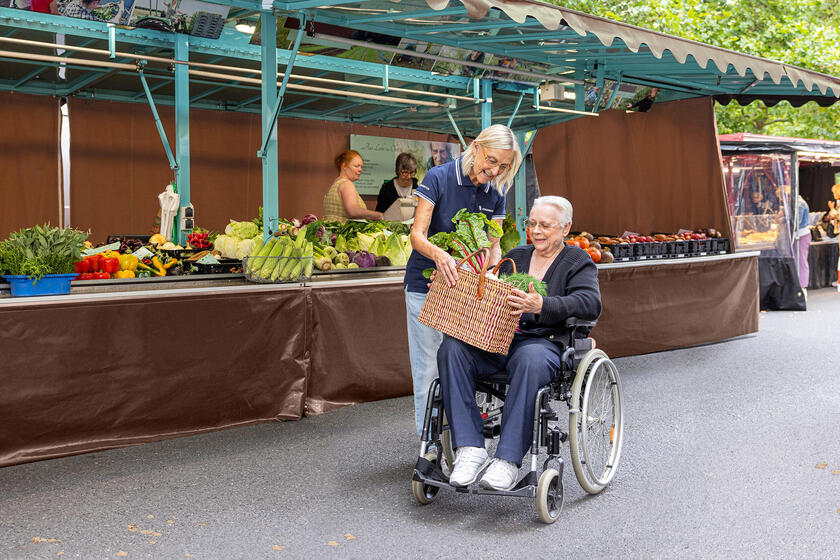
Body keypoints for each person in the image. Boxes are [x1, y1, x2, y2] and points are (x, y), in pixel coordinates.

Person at [438, 196, 602, 490]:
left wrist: (542, 305)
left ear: (565, 228)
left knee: (529, 360)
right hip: (500, 339)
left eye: (545, 226)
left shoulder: (578, 261)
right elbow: (491, 294)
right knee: (452, 348)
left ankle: (507, 462)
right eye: (533, 224)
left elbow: (590, 303)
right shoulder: (518, 255)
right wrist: (456, 286)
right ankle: (470, 449)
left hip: (543, 343)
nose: (536, 231)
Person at [405, 124, 523, 439]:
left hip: (469, 291)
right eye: (492, 161)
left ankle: (462, 438)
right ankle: (428, 443)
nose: (496, 170)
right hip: (427, 285)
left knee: (461, 363)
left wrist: (494, 270)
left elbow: (493, 243)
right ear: (477, 147)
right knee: (429, 368)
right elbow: (417, 235)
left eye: (504, 166)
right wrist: (439, 255)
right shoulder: (438, 178)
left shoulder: (496, 192)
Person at [323, 150, 384, 222]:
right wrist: (379, 215)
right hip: (343, 231)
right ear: (344, 166)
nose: (360, 170)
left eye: (361, 167)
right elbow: (353, 211)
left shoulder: (334, 184)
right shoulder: (346, 184)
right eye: (356, 166)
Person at [793, 192, 811, 292]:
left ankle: (802, 286)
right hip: (798, 236)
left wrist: (783, 219)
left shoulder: (799, 204)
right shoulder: (797, 203)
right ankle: (799, 284)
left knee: (801, 261)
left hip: (801, 236)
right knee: (797, 261)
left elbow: (796, 223)